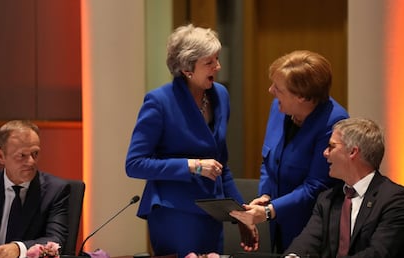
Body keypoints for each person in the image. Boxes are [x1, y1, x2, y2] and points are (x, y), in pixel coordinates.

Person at [125, 24, 258, 257]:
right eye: (209, 62)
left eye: (217, 59)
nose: (218, 67)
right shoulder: (159, 101)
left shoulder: (221, 96)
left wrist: (241, 214)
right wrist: (192, 166)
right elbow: (135, 164)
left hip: (212, 213)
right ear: (187, 68)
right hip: (174, 212)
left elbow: (221, 164)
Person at [229, 50, 349, 253]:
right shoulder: (279, 107)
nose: (270, 91)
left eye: (278, 88)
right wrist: (265, 195)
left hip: (313, 230)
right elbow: (269, 160)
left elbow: (316, 186)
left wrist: (268, 211)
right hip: (279, 225)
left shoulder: (334, 122)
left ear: (302, 96)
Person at [283, 117, 404, 258]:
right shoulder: (327, 199)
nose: (325, 153)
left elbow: (379, 253)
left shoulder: (394, 200)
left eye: (331, 147)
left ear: (353, 152)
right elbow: (307, 243)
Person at [0, 120, 70, 258]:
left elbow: (56, 240)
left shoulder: (56, 191)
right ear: (1, 156)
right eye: (22, 155)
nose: (31, 162)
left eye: (35, 154)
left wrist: (19, 249)